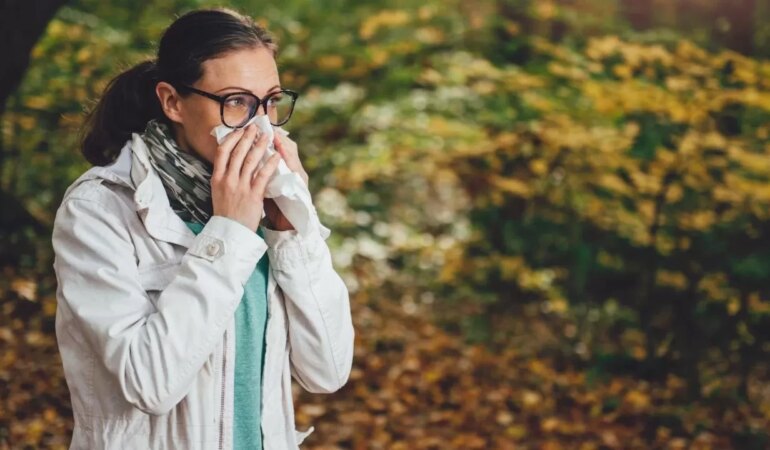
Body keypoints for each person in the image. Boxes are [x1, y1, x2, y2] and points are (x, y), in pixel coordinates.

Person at [51, 8, 354, 450]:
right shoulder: (100, 208)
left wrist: (292, 232)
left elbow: (327, 370)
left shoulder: (271, 205)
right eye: (236, 102)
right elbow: (149, 384)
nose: (261, 126)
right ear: (173, 101)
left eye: (270, 101)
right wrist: (229, 229)